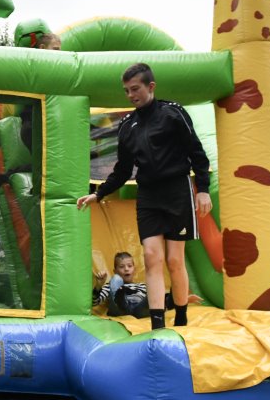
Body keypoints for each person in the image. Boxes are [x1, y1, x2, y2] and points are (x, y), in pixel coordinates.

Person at [77, 63, 212, 330]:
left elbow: (197, 153)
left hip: (177, 190)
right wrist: (99, 193)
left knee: (174, 260)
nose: (130, 95)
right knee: (152, 257)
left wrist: (204, 189)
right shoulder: (128, 125)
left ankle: (182, 316)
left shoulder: (173, 113)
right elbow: (123, 169)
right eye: (126, 90)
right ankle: (158, 325)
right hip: (149, 194)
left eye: (135, 89)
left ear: (151, 87)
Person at [94, 252, 201, 318]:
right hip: (119, 309)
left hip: (140, 309)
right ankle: (121, 302)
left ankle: (175, 294)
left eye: (129, 266)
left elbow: (157, 301)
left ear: (134, 269)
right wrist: (99, 285)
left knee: (153, 290)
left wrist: (183, 300)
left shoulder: (142, 286)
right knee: (116, 280)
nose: (126, 269)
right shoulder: (112, 285)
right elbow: (95, 302)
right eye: (121, 267)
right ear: (115, 270)